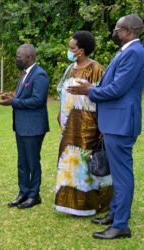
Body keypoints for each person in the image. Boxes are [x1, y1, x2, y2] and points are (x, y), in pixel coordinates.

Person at [68, 14, 144, 240]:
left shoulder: (134, 53)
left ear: (128, 31)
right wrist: (93, 86)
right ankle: (114, 214)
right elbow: (111, 84)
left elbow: (117, 90)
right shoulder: (127, 51)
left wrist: (89, 91)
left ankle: (121, 225)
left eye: (118, 28)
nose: (115, 32)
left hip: (121, 123)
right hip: (114, 121)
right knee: (118, 173)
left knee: (121, 175)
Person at [54, 31, 113, 216]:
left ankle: (93, 203)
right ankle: (71, 204)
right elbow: (62, 93)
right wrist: (59, 114)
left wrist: (103, 125)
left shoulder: (97, 69)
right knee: (69, 161)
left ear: (81, 50)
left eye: (72, 48)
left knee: (88, 163)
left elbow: (104, 97)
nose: (69, 51)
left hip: (89, 125)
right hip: (69, 124)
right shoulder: (69, 69)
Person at [0, 44, 49, 209]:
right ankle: (23, 193)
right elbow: (25, 96)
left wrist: (13, 102)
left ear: (30, 58)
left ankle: (34, 195)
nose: (17, 60)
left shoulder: (40, 75)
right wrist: (12, 96)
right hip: (21, 126)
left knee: (33, 162)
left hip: (33, 127)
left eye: (19, 57)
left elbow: (37, 100)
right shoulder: (25, 74)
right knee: (22, 162)